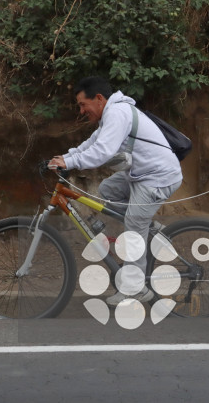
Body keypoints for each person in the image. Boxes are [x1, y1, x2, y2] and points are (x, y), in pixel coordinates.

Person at [48, 76, 183, 305]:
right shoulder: (110, 115)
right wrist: (65, 157)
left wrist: (69, 163)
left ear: (99, 99)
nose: (81, 111)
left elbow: (102, 152)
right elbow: (91, 144)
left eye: (83, 104)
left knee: (133, 224)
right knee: (107, 190)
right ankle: (148, 226)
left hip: (158, 176)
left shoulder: (117, 113)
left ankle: (135, 288)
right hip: (141, 174)